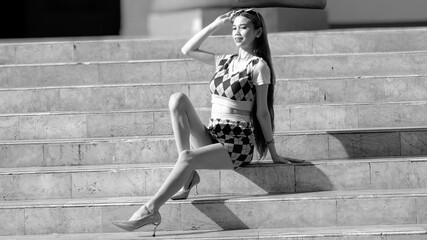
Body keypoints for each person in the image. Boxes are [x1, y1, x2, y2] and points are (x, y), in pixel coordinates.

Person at [112, 8, 304, 236]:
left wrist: (273, 151)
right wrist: (215, 24)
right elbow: (188, 49)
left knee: (186, 157)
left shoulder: (258, 67)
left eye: (244, 27)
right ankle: (188, 174)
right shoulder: (224, 61)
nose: (237, 33)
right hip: (214, 134)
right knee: (177, 100)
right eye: (235, 28)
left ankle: (150, 210)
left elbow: (262, 112)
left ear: (258, 32)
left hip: (237, 143)